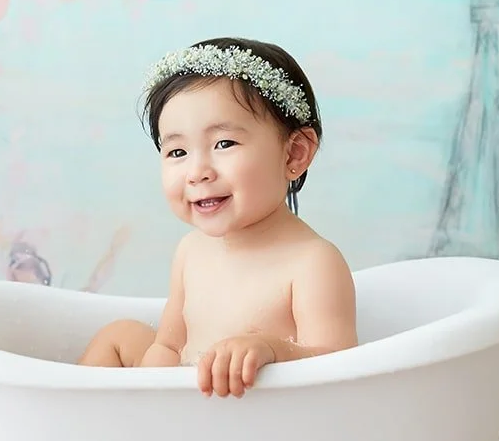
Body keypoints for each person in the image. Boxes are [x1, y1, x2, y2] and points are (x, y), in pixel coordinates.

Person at [77, 37, 358, 397]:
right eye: (177, 151)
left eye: (224, 144)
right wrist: (149, 392)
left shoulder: (312, 262)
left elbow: (340, 368)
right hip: (189, 397)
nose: (197, 172)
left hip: (250, 412)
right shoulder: (190, 250)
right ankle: (69, 424)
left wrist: (272, 350)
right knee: (119, 335)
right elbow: (169, 344)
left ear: (295, 154)